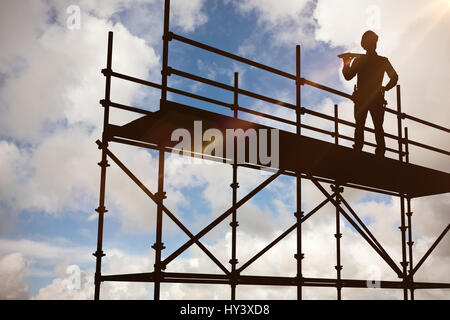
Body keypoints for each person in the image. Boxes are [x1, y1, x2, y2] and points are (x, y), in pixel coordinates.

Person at [342, 30, 398, 157]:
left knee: (360, 125)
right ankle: (380, 152)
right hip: (376, 98)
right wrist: (385, 88)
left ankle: (358, 149)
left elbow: (348, 76)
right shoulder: (383, 61)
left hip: (362, 97)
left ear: (364, 45)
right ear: (375, 44)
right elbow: (395, 78)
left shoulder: (360, 61)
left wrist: (346, 62)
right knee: (378, 127)